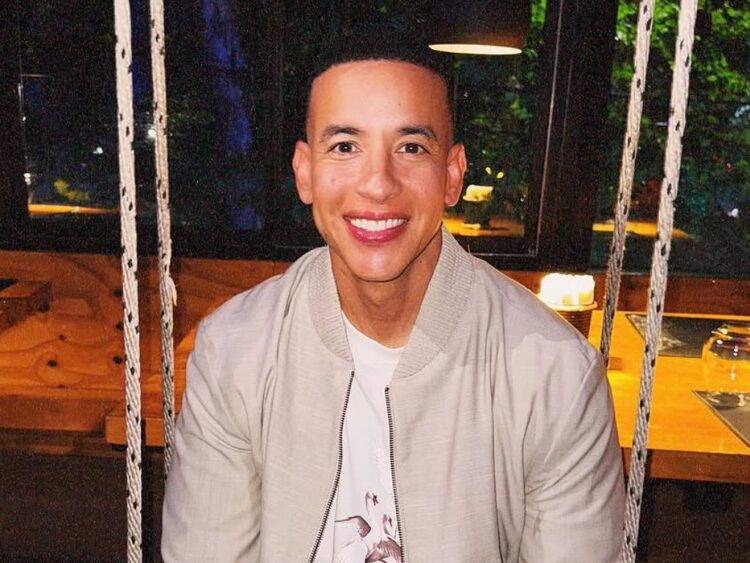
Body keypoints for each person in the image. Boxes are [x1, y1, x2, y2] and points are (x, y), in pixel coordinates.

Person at [162, 46, 625, 562]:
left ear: (452, 175)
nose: (378, 184)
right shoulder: (235, 351)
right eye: (344, 146)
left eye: (410, 147)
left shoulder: (555, 376)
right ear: (304, 172)